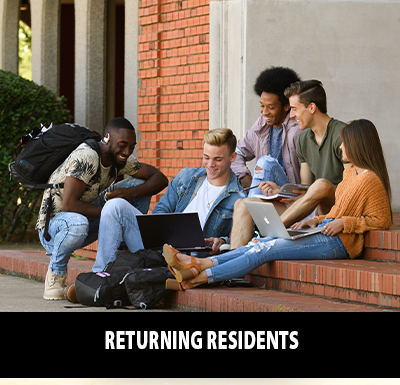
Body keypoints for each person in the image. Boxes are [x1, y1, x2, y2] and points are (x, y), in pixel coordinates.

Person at [162, 119, 392, 290]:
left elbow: (382, 221)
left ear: (358, 145)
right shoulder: (350, 173)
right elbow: (337, 210)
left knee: (265, 250)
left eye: (344, 144)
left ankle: (198, 277)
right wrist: (315, 219)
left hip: (340, 243)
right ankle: (199, 264)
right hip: (324, 230)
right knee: (261, 242)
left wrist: (345, 223)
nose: (341, 148)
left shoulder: (371, 180)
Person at [38, 117, 168, 300]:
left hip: (85, 216)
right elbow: (69, 205)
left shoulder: (119, 159)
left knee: (139, 183)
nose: (127, 151)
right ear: (106, 138)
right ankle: (56, 273)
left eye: (132, 146)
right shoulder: (87, 156)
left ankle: (125, 254)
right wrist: (112, 214)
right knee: (79, 223)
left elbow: (160, 178)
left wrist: (129, 193)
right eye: (123, 145)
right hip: (55, 228)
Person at [91, 128, 247, 272]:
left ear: (232, 157)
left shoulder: (238, 198)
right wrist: (163, 231)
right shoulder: (186, 177)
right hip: (159, 246)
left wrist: (222, 240)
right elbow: (161, 210)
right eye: (206, 157)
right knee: (114, 205)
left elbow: (244, 237)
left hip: (191, 258)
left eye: (218, 159)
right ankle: (100, 274)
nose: (210, 165)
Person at [230, 80, 349, 248]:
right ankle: (235, 261)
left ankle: (266, 235)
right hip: (309, 209)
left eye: (294, 109)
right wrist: (282, 191)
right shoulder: (304, 140)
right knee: (243, 205)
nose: (291, 115)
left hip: (332, 211)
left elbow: (353, 188)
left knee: (322, 185)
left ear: (312, 108)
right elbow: (306, 189)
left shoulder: (343, 135)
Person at [231, 66, 302, 193]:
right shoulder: (262, 124)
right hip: (265, 192)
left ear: (286, 106)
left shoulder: (297, 130)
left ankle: (251, 205)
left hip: (289, 195)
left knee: (265, 163)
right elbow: (236, 153)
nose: (264, 112)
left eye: (271, 107)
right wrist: (244, 177)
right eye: (262, 105)